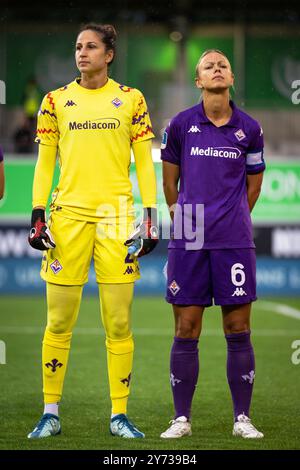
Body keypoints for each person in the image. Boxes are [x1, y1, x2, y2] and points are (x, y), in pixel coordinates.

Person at [27, 23, 158, 439]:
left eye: (91, 47)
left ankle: (119, 415)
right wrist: (37, 214)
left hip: (117, 219)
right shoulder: (55, 101)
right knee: (58, 320)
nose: (82, 53)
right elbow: (45, 164)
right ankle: (50, 413)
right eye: (78, 47)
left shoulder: (132, 100)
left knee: (118, 323)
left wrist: (150, 215)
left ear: (109, 54)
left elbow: (144, 161)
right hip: (67, 218)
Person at [160, 49, 265, 439]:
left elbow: (254, 185)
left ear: (232, 77)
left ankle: (242, 419)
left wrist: (233, 216)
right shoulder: (181, 124)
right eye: (209, 65)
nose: (217, 68)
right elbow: (170, 183)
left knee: (238, 327)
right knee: (186, 327)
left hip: (233, 239)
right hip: (190, 236)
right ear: (198, 81)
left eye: (222, 64)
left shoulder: (250, 128)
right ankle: (181, 419)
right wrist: (184, 219)